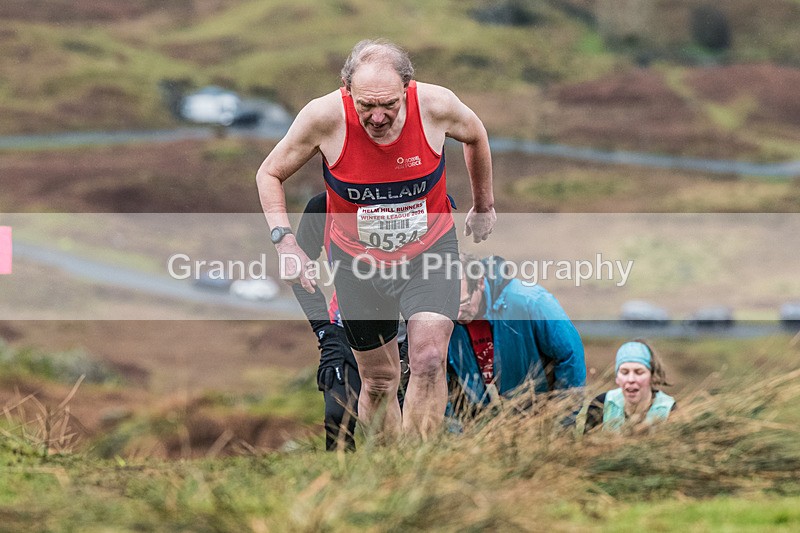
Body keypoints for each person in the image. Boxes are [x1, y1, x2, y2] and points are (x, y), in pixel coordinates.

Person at [256, 38, 496, 440]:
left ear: (407, 87)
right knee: (381, 380)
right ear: (346, 89)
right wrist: (286, 243)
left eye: (389, 104)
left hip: (430, 253)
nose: (379, 117)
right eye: (367, 106)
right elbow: (269, 173)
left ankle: (417, 467)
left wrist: (484, 204)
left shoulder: (436, 106)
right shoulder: (323, 117)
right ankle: (387, 468)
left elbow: (476, 135)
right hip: (356, 265)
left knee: (429, 358)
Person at [448, 254, 586, 416]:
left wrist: (563, 420)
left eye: (464, 303)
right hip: (484, 426)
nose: (456, 315)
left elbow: (570, 356)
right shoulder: (443, 319)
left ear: (480, 282)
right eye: (449, 306)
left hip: (539, 416)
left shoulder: (531, 301)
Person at [582, 340, 676, 433]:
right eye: (624, 372)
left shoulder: (668, 408)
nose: (631, 379)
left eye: (639, 372)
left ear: (652, 376)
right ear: (617, 378)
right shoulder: (601, 403)